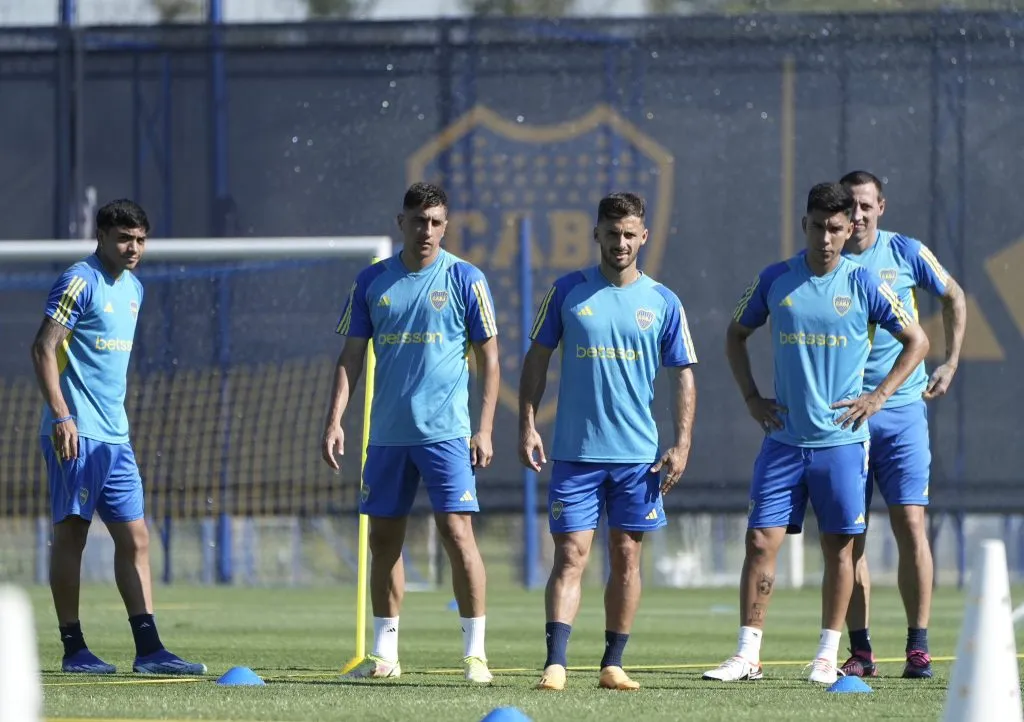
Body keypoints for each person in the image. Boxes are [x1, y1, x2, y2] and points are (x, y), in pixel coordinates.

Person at [702, 182, 929, 685]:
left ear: (849, 230)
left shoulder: (866, 284)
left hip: (843, 445)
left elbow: (917, 339)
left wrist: (878, 397)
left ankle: (827, 656)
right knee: (760, 542)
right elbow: (736, 334)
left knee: (840, 550)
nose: (825, 237)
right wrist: (751, 398)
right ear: (803, 225)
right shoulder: (776, 279)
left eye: (835, 228)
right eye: (816, 226)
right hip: (783, 441)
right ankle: (747, 655)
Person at [518, 192, 698, 692]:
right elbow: (537, 359)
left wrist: (682, 443)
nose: (620, 243)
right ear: (596, 233)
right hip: (576, 453)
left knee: (627, 558)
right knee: (571, 555)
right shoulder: (567, 292)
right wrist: (527, 423)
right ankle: (555, 663)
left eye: (629, 234)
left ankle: (612, 663)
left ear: (644, 236)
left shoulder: (663, 301)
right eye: (611, 233)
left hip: (638, 458)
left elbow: (683, 375)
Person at [322, 182, 500, 684]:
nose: (427, 230)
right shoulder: (372, 281)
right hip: (386, 436)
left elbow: (490, 358)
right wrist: (335, 420)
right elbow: (350, 357)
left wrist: (484, 429)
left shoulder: (466, 278)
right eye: (418, 220)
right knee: (384, 541)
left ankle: (475, 655)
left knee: (458, 534)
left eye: (436, 222)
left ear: (446, 225)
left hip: (446, 434)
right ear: (400, 222)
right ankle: (385, 655)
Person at [31, 199, 207, 676]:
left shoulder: (134, 288)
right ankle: (74, 649)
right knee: (73, 536)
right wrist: (62, 415)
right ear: (103, 236)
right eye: (125, 238)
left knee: (136, 538)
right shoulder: (78, 280)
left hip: (115, 436)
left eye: (141, 240)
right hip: (77, 432)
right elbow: (44, 347)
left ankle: (150, 651)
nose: (134, 248)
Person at [838, 170, 966, 679]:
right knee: (849, 536)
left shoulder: (906, 251)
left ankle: (917, 646)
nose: (857, 214)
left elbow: (953, 295)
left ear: (881, 207)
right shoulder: (825, 260)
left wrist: (952, 362)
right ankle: (861, 650)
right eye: (849, 205)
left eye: (866, 205)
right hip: (845, 419)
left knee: (911, 525)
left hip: (900, 411)